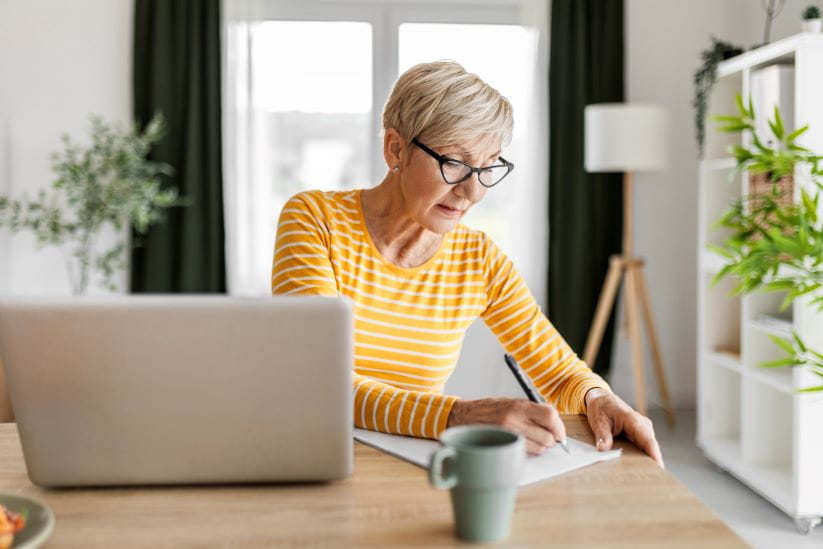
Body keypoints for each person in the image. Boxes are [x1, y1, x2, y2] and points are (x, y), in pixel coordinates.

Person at [271, 61, 663, 467]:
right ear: (396, 149)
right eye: (455, 162)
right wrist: (458, 416)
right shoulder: (315, 220)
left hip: (412, 469)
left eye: (488, 165)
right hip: (308, 458)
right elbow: (320, 382)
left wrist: (599, 397)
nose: (472, 192)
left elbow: (561, 374)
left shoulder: (479, 260)